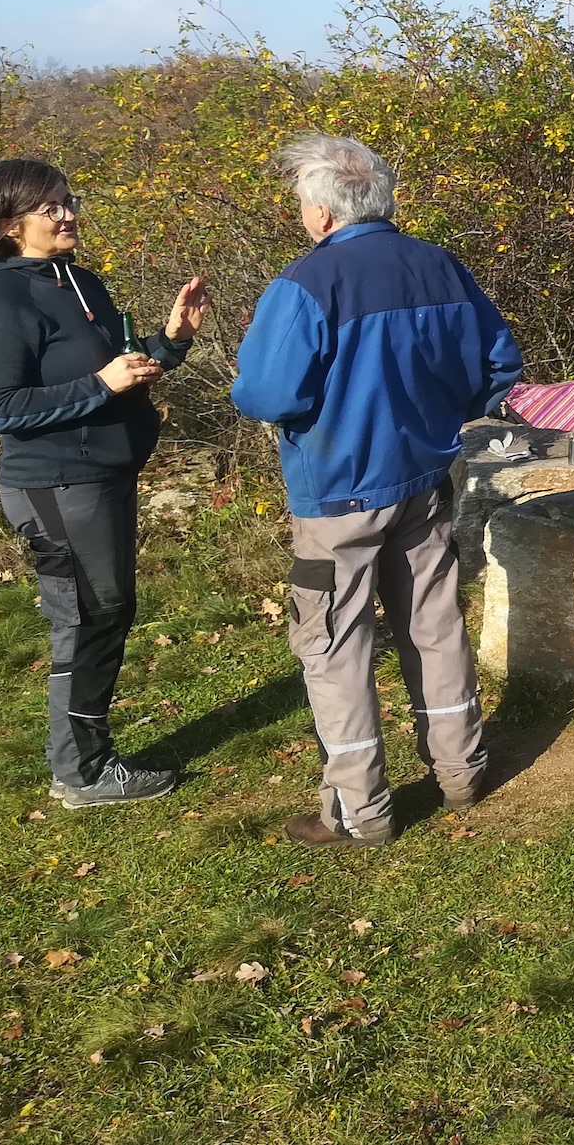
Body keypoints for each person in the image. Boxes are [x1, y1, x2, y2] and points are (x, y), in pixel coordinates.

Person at [233, 135, 523, 846]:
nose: (300, 212)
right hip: (424, 477)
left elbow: (265, 393)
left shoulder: (306, 283)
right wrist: (440, 408)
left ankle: (359, 810)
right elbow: (498, 364)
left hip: (337, 493)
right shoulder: (440, 266)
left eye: (302, 199)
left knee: (334, 640)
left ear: (325, 211)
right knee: (433, 622)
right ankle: (462, 769)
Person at [0, 159, 208, 809]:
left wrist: (171, 341)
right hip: (55, 485)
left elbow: (121, 371)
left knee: (106, 611)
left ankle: (86, 759)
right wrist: (99, 385)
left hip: (103, 477)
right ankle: (80, 771)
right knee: (87, 616)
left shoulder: (81, 282)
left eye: (69, 200)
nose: (68, 213)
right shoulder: (2, 302)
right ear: (9, 224)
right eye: (52, 207)